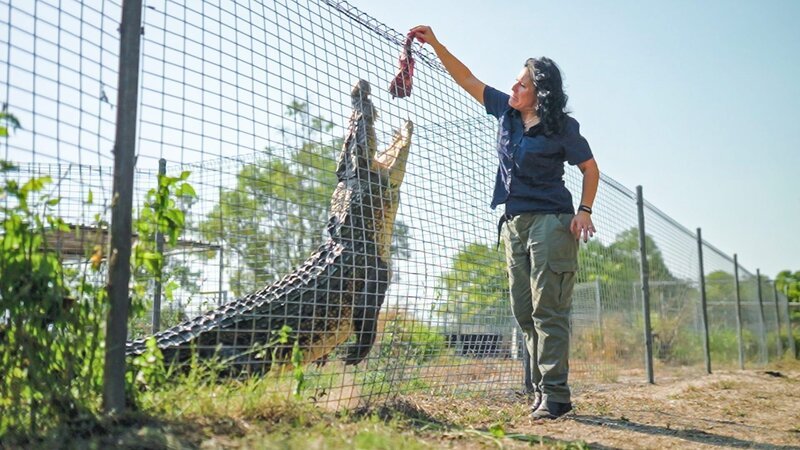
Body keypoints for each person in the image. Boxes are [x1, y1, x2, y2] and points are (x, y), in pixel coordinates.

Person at [409, 26, 600, 420]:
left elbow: (590, 168)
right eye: (514, 81)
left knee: (548, 311)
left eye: (522, 84)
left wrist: (585, 210)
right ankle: (540, 390)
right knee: (524, 312)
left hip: (551, 223)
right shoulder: (506, 112)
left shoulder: (562, 128)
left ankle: (556, 395)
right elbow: (466, 78)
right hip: (513, 223)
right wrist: (437, 44)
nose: (513, 87)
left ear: (540, 93)